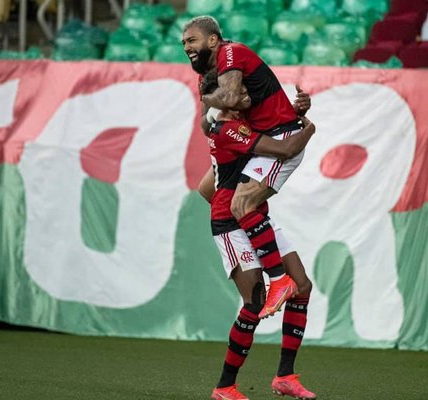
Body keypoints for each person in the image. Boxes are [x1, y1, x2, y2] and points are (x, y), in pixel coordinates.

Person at [182, 16, 311, 319]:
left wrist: (307, 127)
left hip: (280, 138)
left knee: (240, 202)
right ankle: (258, 231)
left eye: (192, 40)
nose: (186, 47)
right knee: (209, 190)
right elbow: (207, 120)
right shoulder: (209, 79)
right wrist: (218, 103)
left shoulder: (232, 53)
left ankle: (277, 278)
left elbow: (222, 103)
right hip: (263, 139)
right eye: (184, 43)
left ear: (212, 40)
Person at [200, 70, 317, 400]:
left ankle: (285, 376)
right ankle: (225, 386)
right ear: (224, 97)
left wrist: (296, 113)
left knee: (302, 286)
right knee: (254, 302)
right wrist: (308, 127)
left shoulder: (234, 122)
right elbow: (286, 148)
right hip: (232, 222)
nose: (247, 92)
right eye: (239, 89)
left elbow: (203, 188)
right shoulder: (229, 128)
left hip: (251, 216)